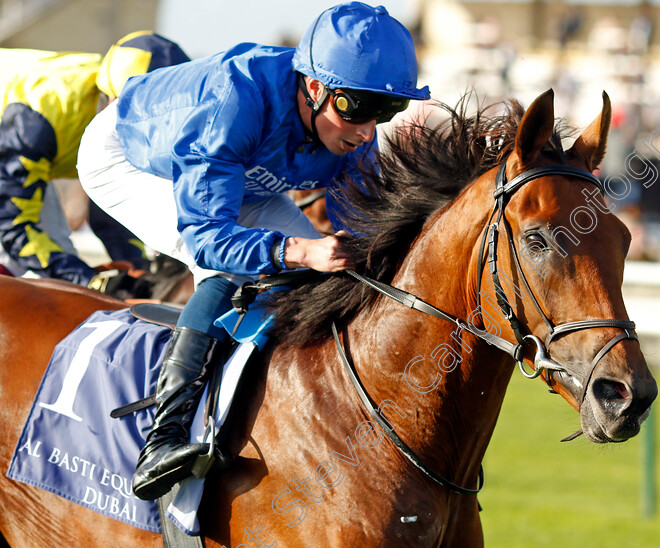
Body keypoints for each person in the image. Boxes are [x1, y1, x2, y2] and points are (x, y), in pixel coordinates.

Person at [77, 2, 430, 501]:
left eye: (386, 111)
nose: (367, 130)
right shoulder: (234, 100)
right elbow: (209, 237)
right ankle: (164, 438)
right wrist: (297, 250)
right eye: (356, 108)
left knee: (330, 274)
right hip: (131, 159)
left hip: (238, 172)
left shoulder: (353, 135)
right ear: (314, 88)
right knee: (224, 269)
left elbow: (368, 242)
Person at [0, 31, 190, 289]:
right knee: (25, 270)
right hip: (17, 130)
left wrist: (138, 270)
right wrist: (89, 280)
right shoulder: (38, 121)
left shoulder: (110, 88)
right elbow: (13, 226)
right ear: (108, 99)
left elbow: (109, 202)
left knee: (61, 260)